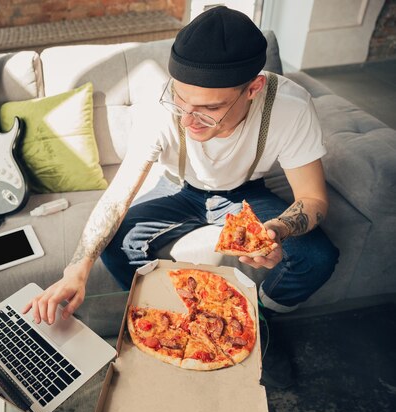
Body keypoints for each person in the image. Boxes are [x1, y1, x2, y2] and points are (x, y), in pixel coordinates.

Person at [23, 6, 339, 388]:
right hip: (180, 187)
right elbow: (117, 196)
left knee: (317, 257)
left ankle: (259, 322)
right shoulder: (162, 111)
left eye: (209, 109)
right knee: (115, 244)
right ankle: (174, 316)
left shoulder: (289, 106)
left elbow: (312, 199)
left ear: (253, 89)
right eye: (181, 102)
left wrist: (275, 230)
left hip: (245, 195)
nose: (188, 122)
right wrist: (77, 269)